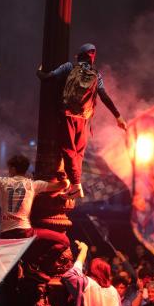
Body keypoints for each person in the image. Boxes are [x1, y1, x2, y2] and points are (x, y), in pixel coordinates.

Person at [36, 43, 127, 197]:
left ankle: (76, 185)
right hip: (84, 117)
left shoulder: (69, 67)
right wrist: (118, 117)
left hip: (68, 114)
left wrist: (39, 71)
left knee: (68, 149)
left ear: (78, 56)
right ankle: (74, 184)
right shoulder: (96, 74)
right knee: (78, 152)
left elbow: (47, 78)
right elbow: (104, 97)